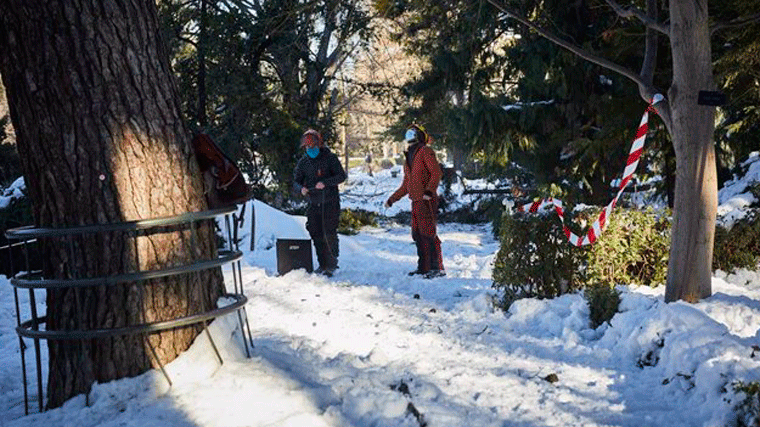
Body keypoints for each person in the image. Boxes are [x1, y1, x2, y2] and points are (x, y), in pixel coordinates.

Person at [385, 124, 445, 279]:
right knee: (417, 234)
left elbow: (436, 173)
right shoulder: (408, 158)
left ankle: (436, 268)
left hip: (426, 200)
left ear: (419, 136)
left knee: (428, 233)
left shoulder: (426, 151)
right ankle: (423, 268)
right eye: (407, 135)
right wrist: (392, 199)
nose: (409, 137)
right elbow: (406, 185)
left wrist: (429, 191)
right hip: (416, 201)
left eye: (412, 134)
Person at [293, 129, 347, 277]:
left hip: (330, 202)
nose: (310, 149)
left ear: (319, 144)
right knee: (315, 232)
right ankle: (322, 263)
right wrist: (301, 189)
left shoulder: (330, 158)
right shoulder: (303, 162)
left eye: (312, 146)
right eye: (307, 147)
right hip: (313, 203)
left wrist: (325, 183)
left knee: (328, 233)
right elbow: (295, 182)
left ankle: (331, 263)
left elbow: (341, 176)